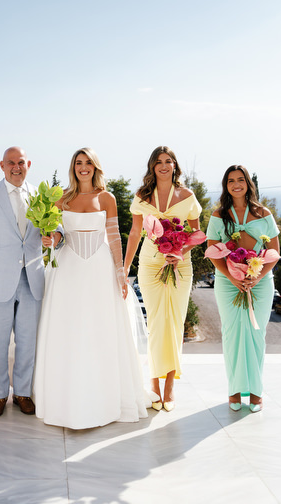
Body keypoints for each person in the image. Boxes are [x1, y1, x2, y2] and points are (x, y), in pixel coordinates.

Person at [33, 147, 151, 429]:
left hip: (99, 269)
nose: (83, 167)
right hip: (68, 268)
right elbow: (58, 233)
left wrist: (121, 273)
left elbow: (113, 237)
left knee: (100, 328)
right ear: (72, 167)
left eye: (88, 163)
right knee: (69, 328)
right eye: (78, 163)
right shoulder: (62, 197)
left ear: (95, 166)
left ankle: (104, 398)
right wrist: (52, 237)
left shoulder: (106, 197)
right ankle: (66, 399)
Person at [0, 147, 62, 417]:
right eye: (11, 163)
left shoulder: (40, 196)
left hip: (32, 278)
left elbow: (57, 226)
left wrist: (55, 236)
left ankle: (22, 392)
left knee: (27, 341)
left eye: (21, 162)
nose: (16, 167)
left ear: (28, 164)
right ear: (2, 165)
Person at [124, 146, 202, 411]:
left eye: (169, 161)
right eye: (159, 162)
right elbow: (135, 233)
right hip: (150, 264)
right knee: (156, 322)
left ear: (175, 166)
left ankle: (170, 386)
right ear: (152, 166)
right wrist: (124, 269)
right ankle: (154, 386)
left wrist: (180, 251)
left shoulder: (188, 196)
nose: (164, 165)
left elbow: (196, 234)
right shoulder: (141, 197)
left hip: (180, 265)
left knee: (175, 323)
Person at [206, 165, 279, 412]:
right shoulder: (218, 215)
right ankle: (235, 392)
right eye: (230, 181)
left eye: (240, 180)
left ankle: (256, 392)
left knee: (256, 334)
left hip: (260, 282)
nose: (236, 184)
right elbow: (213, 250)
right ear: (226, 186)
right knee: (233, 333)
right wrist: (232, 276)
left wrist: (256, 277)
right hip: (228, 283)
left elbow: (274, 252)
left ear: (248, 183)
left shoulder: (263, 213)